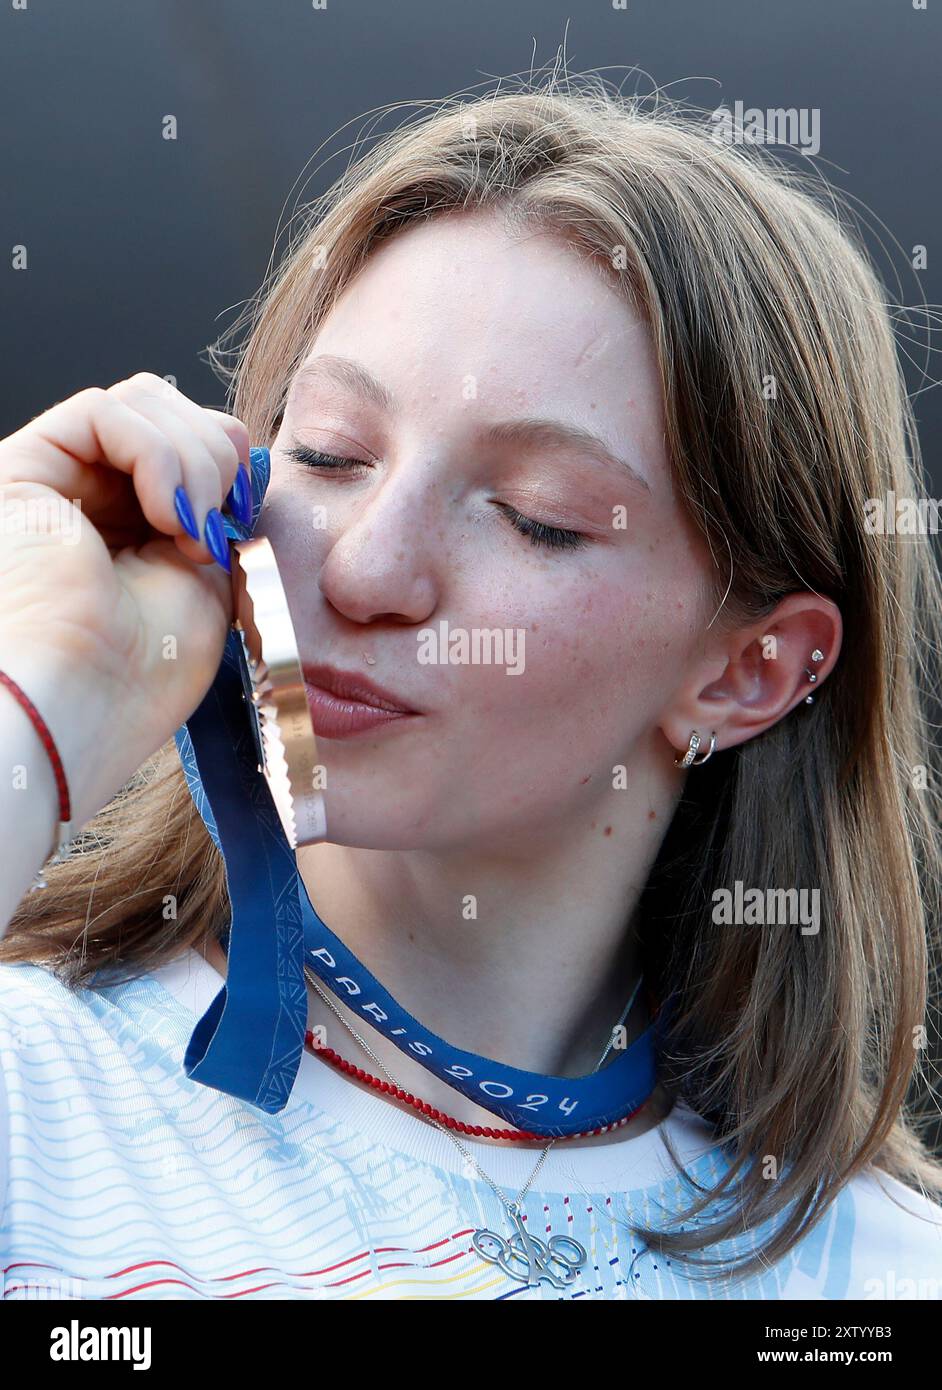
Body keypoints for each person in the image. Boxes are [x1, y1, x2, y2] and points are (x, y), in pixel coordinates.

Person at [1, 76, 941, 1302]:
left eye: (534, 517)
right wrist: (35, 696)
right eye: (330, 451)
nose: (366, 564)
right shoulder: (36, 1093)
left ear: (746, 671)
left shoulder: (882, 1277)